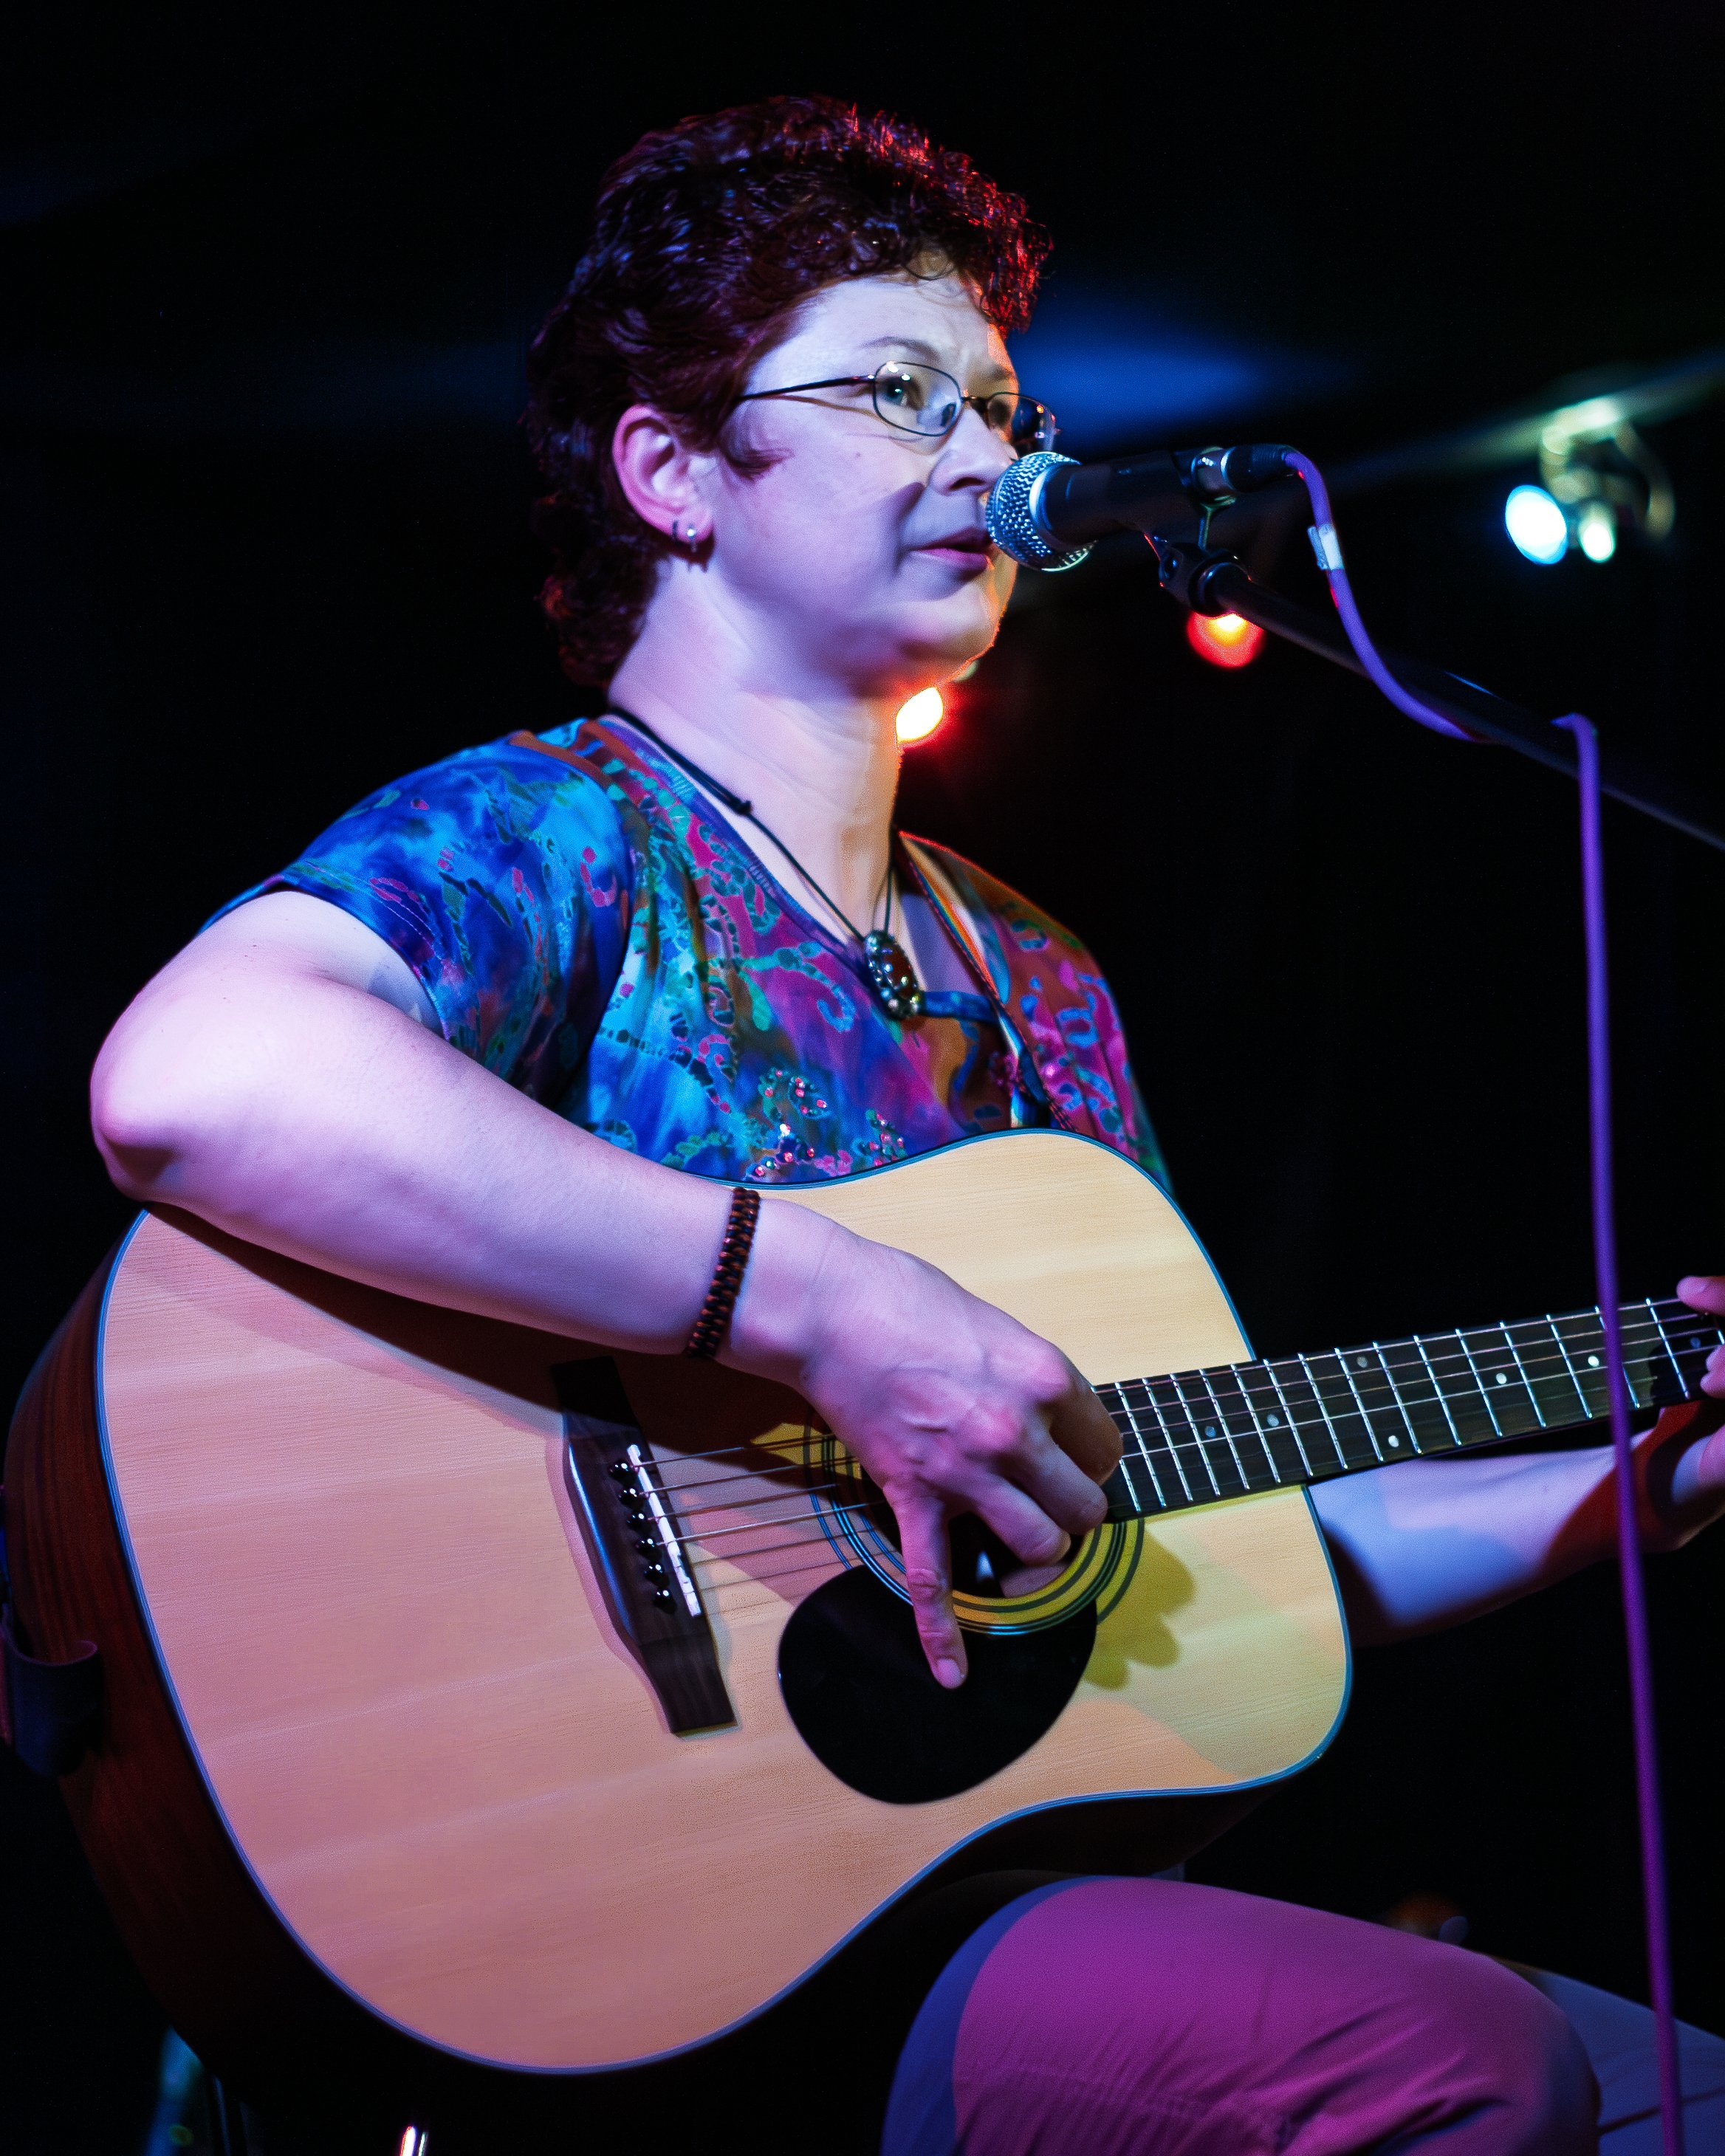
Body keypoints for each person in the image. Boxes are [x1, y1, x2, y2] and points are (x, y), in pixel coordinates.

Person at [89, 95, 1725, 2155]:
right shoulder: (558, 835)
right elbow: (194, 1076)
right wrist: (819, 1308)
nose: (995, 459)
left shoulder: (1029, 978)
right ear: (674, 472)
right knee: (1461, 2066)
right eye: (898, 394)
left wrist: (1626, 1493)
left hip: (962, 1888)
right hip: (645, 1926)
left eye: (1002, 403)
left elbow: (1210, 1531)